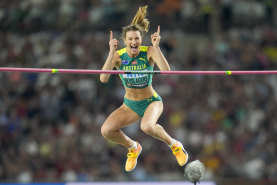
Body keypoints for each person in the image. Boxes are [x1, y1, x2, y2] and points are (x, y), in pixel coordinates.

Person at [100, 5, 189, 172]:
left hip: (151, 102)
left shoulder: (148, 52)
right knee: (106, 130)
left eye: (137, 39)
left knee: (147, 127)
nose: (134, 42)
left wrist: (157, 48)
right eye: (130, 39)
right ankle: (133, 147)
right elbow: (103, 78)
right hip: (130, 105)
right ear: (125, 41)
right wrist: (111, 53)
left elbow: (167, 72)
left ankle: (175, 145)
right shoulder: (118, 56)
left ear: (141, 40)